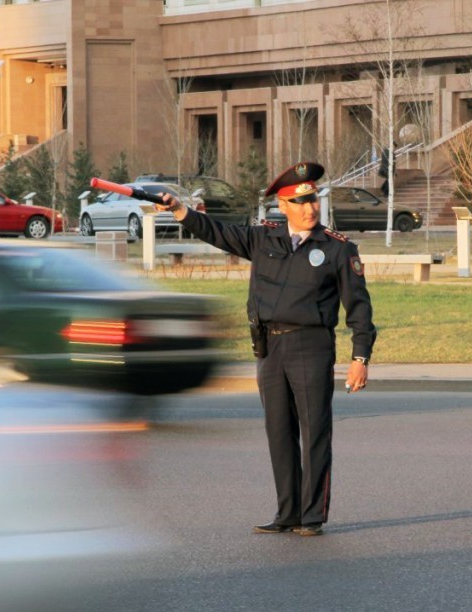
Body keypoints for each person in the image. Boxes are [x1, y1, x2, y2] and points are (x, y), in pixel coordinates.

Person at [156, 161, 377, 537]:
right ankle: (287, 512)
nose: (310, 209)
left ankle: (311, 516)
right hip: (270, 346)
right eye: (301, 202)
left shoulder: (338, 249)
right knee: (279, 431)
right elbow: (217, 232)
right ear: (284, 206)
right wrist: (180, 210)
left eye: (313, 200)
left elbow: (359, 308)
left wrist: (360, 358)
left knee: (315, 432)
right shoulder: (264, 238)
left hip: (312, 345)